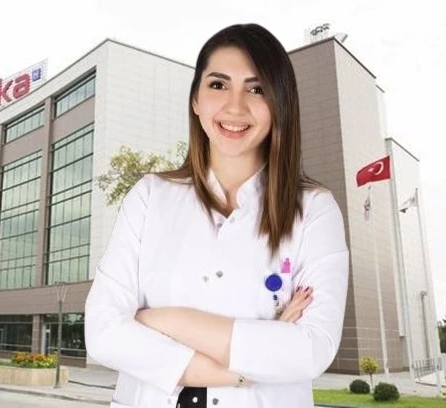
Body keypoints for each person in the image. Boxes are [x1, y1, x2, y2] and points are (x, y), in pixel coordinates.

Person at [84, 23, 349, 408]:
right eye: (218, 84)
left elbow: (312, 350)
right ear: (195, 99)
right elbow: (103, 332)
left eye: (256, 89)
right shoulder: (150, 196)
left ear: (280, 103)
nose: (235, 107)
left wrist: (164, 321)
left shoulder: (314, 210)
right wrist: (249, 365)